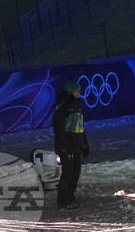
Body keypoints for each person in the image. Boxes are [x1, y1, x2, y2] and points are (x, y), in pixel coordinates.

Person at [53, 80, 90, 210]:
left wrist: (85, 144)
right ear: (70, 92)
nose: (80, 92)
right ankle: (63, 201)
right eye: (77, 90)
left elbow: (80, 128)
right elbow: (60, 131)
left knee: (75, 173)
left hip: (77, 147)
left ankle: (70, 197)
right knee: (67, 174)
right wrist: (63, 148)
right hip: (67, 148)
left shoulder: (77, 107)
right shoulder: (62, 109)